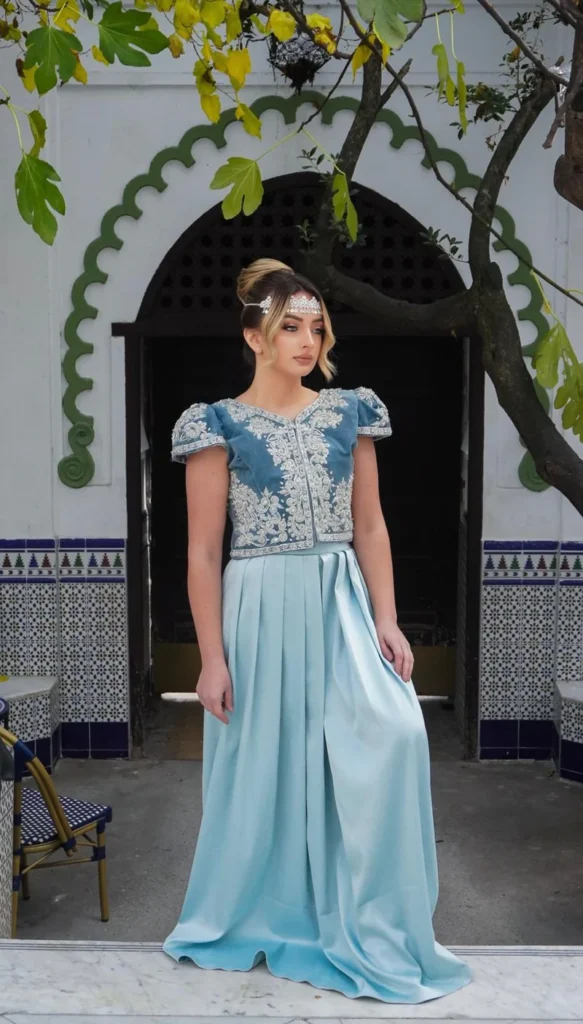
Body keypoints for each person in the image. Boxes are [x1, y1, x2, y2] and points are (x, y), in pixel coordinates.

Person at [163, 258, 472, 1003]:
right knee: (263, 764)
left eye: (316, 327)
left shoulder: (348, 413)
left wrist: (386, 618)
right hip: (258, 603)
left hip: (338, 599)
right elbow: (202, 552)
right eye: (290, 328)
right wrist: (211, 659)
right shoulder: (216, 424)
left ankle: (372, 917)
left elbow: (370, 526)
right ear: (254, 337)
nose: (307, 341)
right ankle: (266, 909)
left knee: (395, 735)